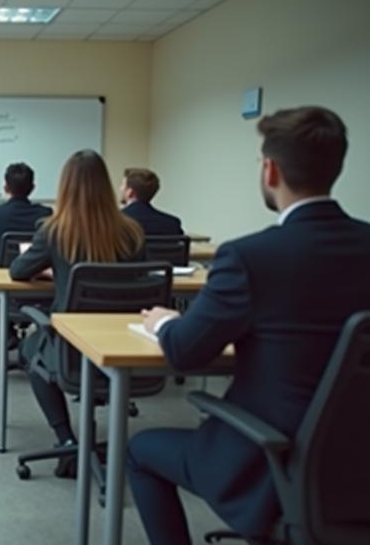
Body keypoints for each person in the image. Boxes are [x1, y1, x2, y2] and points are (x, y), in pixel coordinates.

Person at [130, 107, 370, 545]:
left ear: (271, 169)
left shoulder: (251, 257)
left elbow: (186, 353)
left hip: (274, 458)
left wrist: (167, 323)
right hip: (360, 464)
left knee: (140, 451)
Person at [9, 149, 146, 477]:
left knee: (30, 352)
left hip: (71, 350)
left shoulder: (54, 230)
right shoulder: (132, 232)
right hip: (123, 349)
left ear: (65, 187)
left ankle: (65, 440)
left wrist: (55, 272)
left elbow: (17, 271)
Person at [0, 162, 54, 347]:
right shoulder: (46, 214)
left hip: (5, 287)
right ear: (32, 188)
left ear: (6, 187)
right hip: (42, 287)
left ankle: (6, 335)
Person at [120, 167, 184, 235]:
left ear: (130, 192)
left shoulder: (114, 222)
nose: (120, 188)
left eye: (122, 185)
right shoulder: (173, 224)